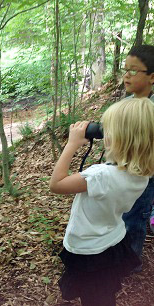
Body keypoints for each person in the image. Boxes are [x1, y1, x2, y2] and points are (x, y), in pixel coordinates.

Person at [49, 98, 154, 306]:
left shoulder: (101, 176)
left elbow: (57, 184)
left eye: (109, 130)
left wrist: (72, 144)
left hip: (89, 250)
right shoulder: (141, 174)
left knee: (95, 299)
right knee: (103, 293)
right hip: (112, 243)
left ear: (122, 139)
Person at [121, 45, 154, 262]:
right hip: (123, 171)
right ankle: (120, 254)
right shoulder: (126, 103)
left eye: (134, 71)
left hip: (145, 175)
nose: (126, 75)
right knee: (124, 214)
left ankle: (132, 260)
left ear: (152, 77)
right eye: (125, 69)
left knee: (136, 217)